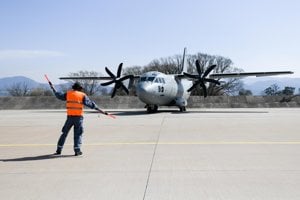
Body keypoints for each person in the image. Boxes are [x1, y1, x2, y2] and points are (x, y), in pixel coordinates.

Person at [53, 82, 103, 156]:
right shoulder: (82, 95)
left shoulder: (68, 94)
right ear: (80, 88)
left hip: (69, 117)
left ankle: (59, 150)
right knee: (78, 134)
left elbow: (59, 95)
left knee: (64, 133)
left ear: (73, 87)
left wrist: (54, 89)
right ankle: (77, 150)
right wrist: (98, 108)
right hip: (78, 118)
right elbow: (89, 103)